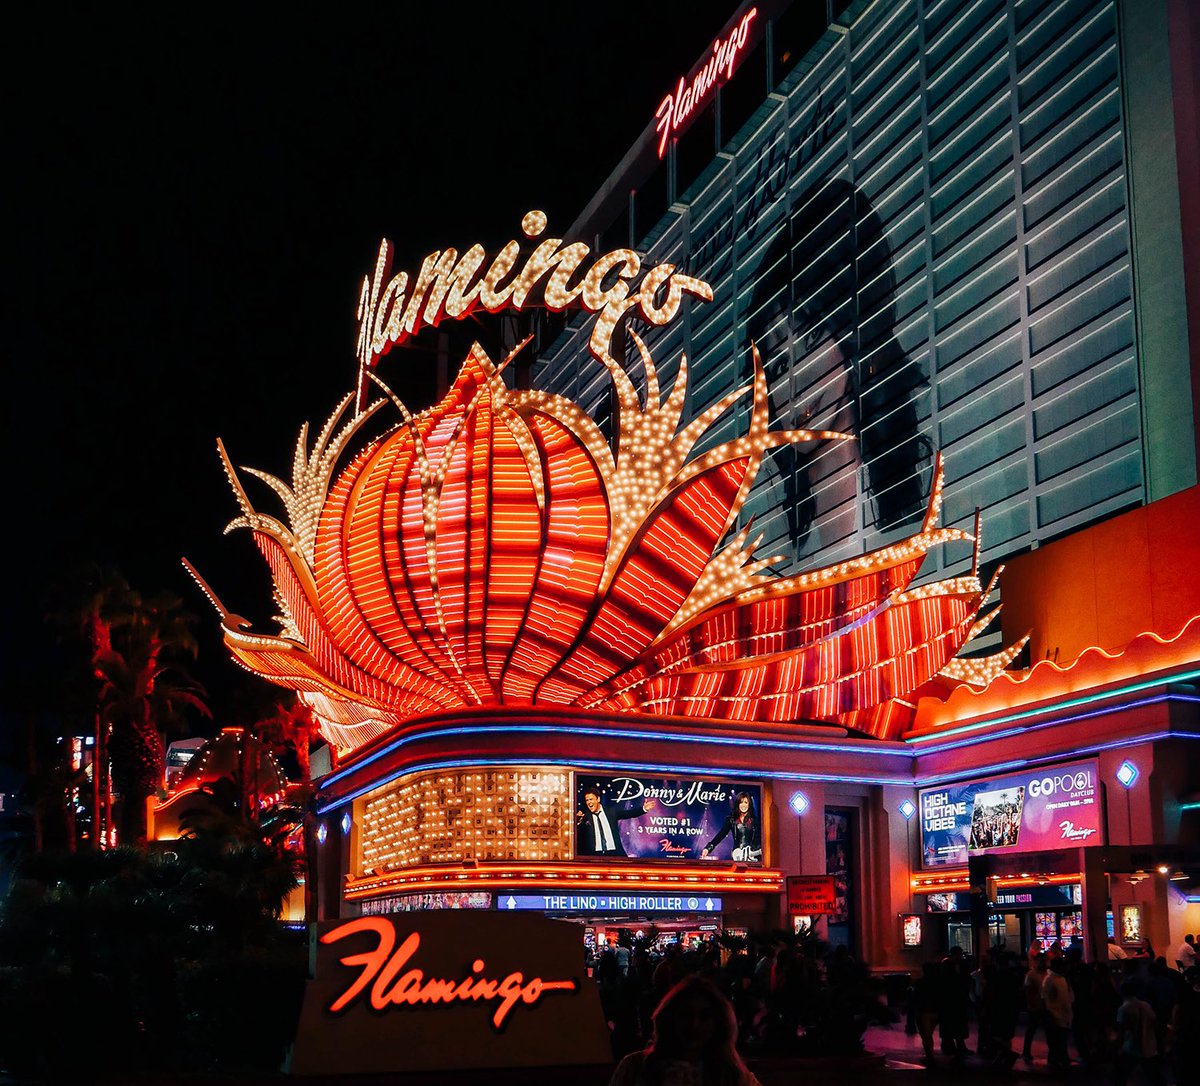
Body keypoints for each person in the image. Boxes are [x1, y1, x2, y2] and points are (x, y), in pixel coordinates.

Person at [608, 974, 763, 1086]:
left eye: (704, 1017)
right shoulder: (634, 1067)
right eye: (686, 1015)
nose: (694, 1024)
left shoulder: (733, 1075)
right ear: (670, 1018)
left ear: (719, 1023)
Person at [577, 786, 656, 857]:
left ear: (598, 799)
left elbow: (628, 814)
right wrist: (577, 821)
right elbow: (579, 837)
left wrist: (644, 809)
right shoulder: (585, 816)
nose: (589, 802)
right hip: (595, 855)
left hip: (614, 853)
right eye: (587, 800)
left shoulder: (611, 812)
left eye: (591, 799)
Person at [1114, 980, 1163, 1086]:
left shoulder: (1123, 1009)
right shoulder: (1146, 1005)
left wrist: (1117, 1046)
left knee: (1120, 1075)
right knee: (1154, 1076)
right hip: (1148, 1046)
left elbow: (1122, 1030)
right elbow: (1155, 1023)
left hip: (1131, 1047)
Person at [700, 793, 761, 862]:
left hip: (752, 858)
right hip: (737, 856)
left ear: (749, 805)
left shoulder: (755, 821)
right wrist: (708, 848)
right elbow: (721, 835)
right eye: (741, 802)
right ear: (738, 804)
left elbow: (759, 840)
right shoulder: (731, 820)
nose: (743, 805)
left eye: (746, 802)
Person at [1041, 956, 1074, 1072]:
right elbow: (1044, 999)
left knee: (1059, 1041)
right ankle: (1057, 1063)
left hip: (1061, 1015)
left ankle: (1057, 1063)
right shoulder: (1050, 980)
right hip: (1054, 1016)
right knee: (1057, 1041)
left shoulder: (1061, 979)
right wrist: (1049, 1015)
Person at [1022, 952, 1048, 1063]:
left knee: (1048, 1030)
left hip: (1046, 1006)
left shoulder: (1047, 973)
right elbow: (1027, 992)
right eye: (1041, 960)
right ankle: (1026, 1051)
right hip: (1036, 1006)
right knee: (1031, 1029)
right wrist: (1031, 1004)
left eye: (1044, 960)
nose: (1042, 962)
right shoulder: (1031, 975)